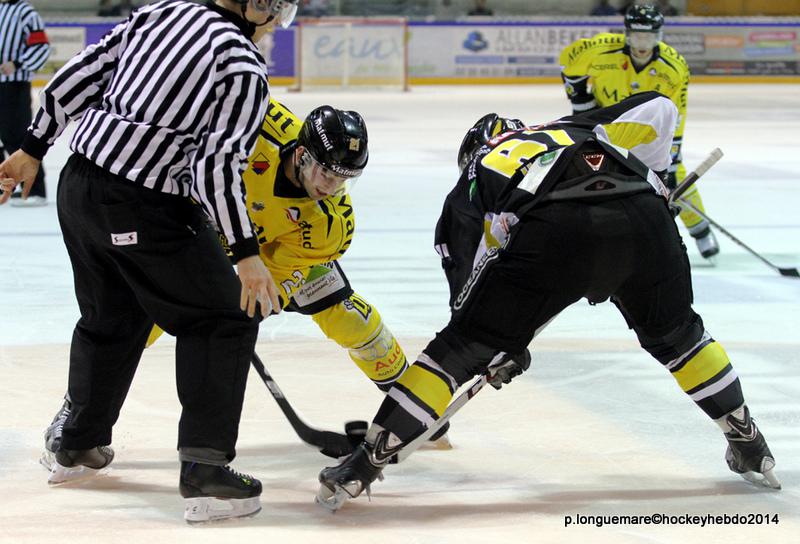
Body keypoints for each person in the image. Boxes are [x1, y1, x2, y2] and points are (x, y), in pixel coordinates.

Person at [315, 92, 780, 509]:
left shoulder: (474, 176)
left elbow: (466, 299)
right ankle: (749, 440)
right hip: (644, 216)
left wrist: (499, 347)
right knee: (680, 338)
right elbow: (662, 105)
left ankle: (361, 467)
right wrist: (654, 177)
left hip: (555, 232)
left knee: (456, 351)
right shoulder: (570, 127)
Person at [0, 0, 301, 523]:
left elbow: (77, 75)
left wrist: (31, 147)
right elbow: (215, 168)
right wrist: (247, 254)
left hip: (79, 188)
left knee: (113, 314)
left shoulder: (161, 11)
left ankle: (76, 444)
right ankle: (206, 472)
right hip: (143, 202)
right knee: (224, 316)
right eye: (276, 10)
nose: (277, 22)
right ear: (255, 5)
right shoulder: (241, 62)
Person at [40, 98, 451, 473]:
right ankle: (76, 413)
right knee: (137, 323)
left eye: (343, 179)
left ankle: (410, 406)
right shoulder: (256, 125)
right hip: (204, 234)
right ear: (302, 155)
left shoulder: (330, 223)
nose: (331, 188)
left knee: (352, 320)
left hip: (277, 255)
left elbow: (276, 281)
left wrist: (242, 297)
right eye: (326, 174)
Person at [559, 4, 719, 261]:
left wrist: (673, 150)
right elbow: (569, 64)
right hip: (609, 127)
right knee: (594, 173)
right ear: (627, 34)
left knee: (673, 173)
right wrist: (581, 104)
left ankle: (700, 230)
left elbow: (677, 111)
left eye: (649, 36)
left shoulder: (674, 67)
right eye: (637, 36)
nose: (643, 43)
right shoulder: (600, 49)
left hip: (647, 131)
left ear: (659, 36)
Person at [0, 0, 51, 206]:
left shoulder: (25, 12)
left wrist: (18, 63)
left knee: (17, 136)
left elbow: (41, 45)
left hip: (14, 84)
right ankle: (6, 185)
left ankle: (35, 190)